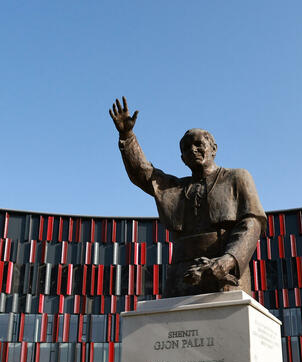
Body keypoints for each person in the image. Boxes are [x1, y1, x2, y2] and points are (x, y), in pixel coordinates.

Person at [110, 97, 267, 297]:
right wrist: (127, 135)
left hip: (225, 272)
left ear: (214, 149)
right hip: (181, 274)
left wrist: (228, 260)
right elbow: (143, 174)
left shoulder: (237, 177)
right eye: (186, 148)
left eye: (198, 144)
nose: (192, 150)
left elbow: (252, 223)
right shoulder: (176, 188)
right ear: (182, 158)